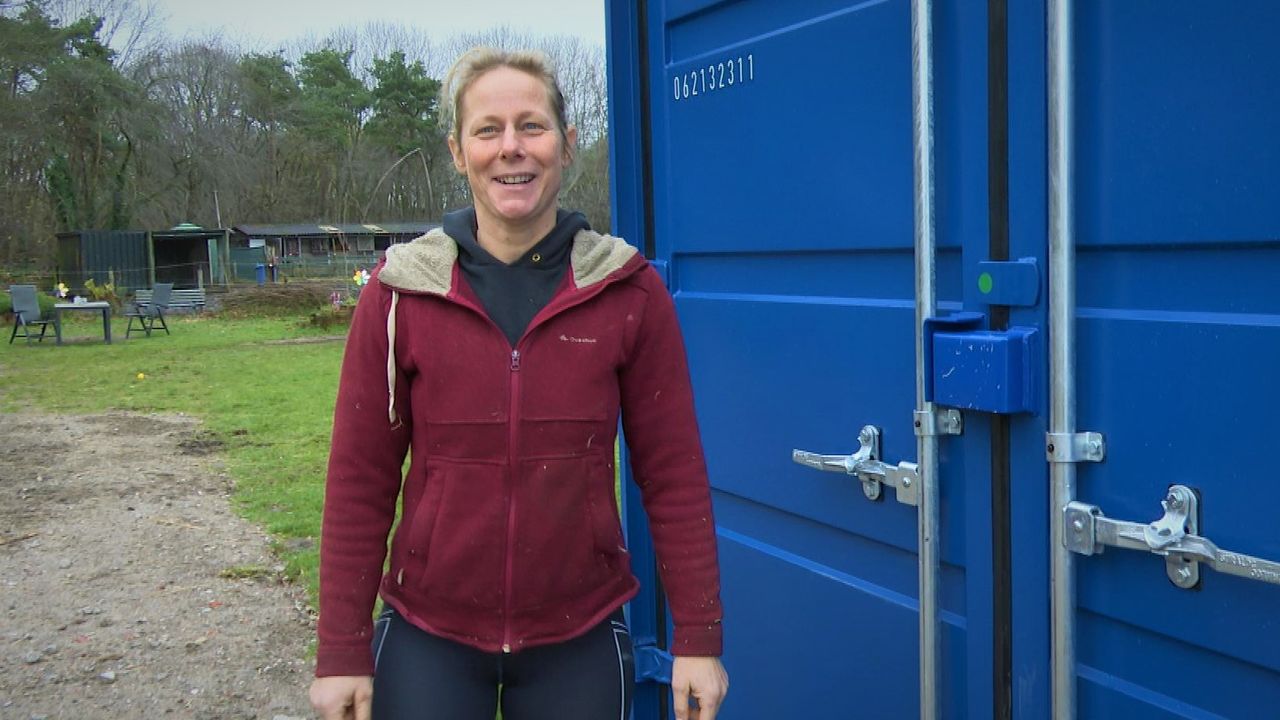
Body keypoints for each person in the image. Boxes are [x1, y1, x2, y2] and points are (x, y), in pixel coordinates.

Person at [308, 46, 728, 720]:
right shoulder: (398, 295)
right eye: (488, 130)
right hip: (429, 635)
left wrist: (698, 639)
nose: (512, 148)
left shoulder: (629, 290)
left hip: (579, 635)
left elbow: (674, 473)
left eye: (531, 127)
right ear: (457, 151)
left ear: (567, 144)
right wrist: (341, 652)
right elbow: (359, 480)